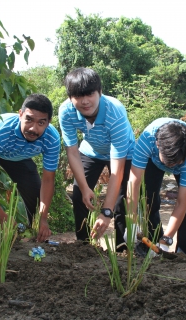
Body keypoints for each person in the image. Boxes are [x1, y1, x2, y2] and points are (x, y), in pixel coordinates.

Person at [58, 67, 134, 249]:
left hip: (124, 154)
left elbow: (117, 169)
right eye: (78, 96)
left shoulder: (114, 112)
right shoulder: (66, 111)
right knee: (78, 195)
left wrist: (106, 212)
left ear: (100, 92)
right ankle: (83, 246)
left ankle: (122, 250)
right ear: (70, 97)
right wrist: (84, 188)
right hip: (91, 150)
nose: (85, 101)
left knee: (121, 202)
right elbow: (73, 151)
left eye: (90, 94)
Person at [0, 94, 61, 243]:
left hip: (16, 155)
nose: (34, 128)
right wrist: (1, 215)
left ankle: (30, 235)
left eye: (41, 123)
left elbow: (48, 180)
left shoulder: (52, 138)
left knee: (35, 191)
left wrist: (43, 218)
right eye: (29, 119)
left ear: (48, 123)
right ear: (20, 115)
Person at [127, 118, 186, 255]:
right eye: (169, 162)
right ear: (157, 145)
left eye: (176, 162)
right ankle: (152, 243)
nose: (171, 166)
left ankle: (184, 253)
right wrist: (131, 222)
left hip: (183, 162)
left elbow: (181, 203)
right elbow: (133, 184)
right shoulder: (147, 140)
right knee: (147, 199)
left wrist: (166, 240)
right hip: (153, 161)